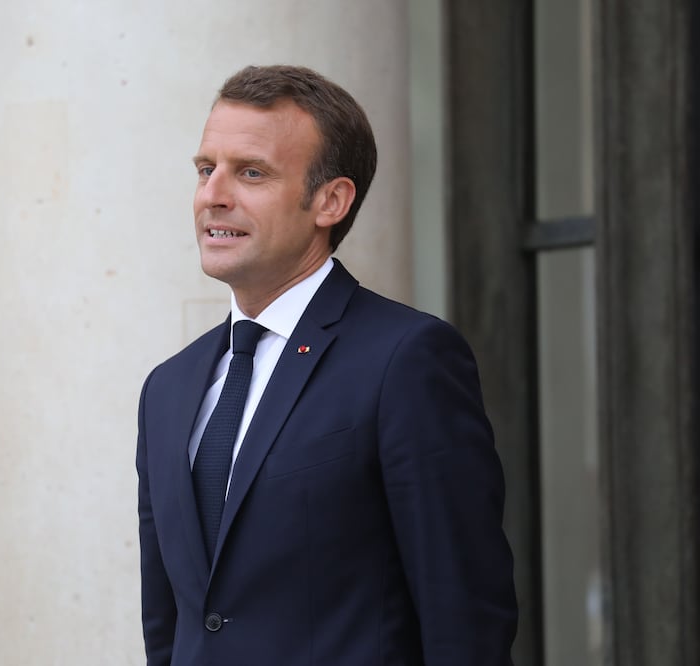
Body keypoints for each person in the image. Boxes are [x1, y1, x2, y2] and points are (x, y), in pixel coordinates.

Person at [136, 64, 517, 666]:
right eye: (207, 169)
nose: (214, 194)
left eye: (251, 173)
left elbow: (464, 616)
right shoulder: (167, 388)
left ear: (331, 200)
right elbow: (169, 626)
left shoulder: (407, 360)